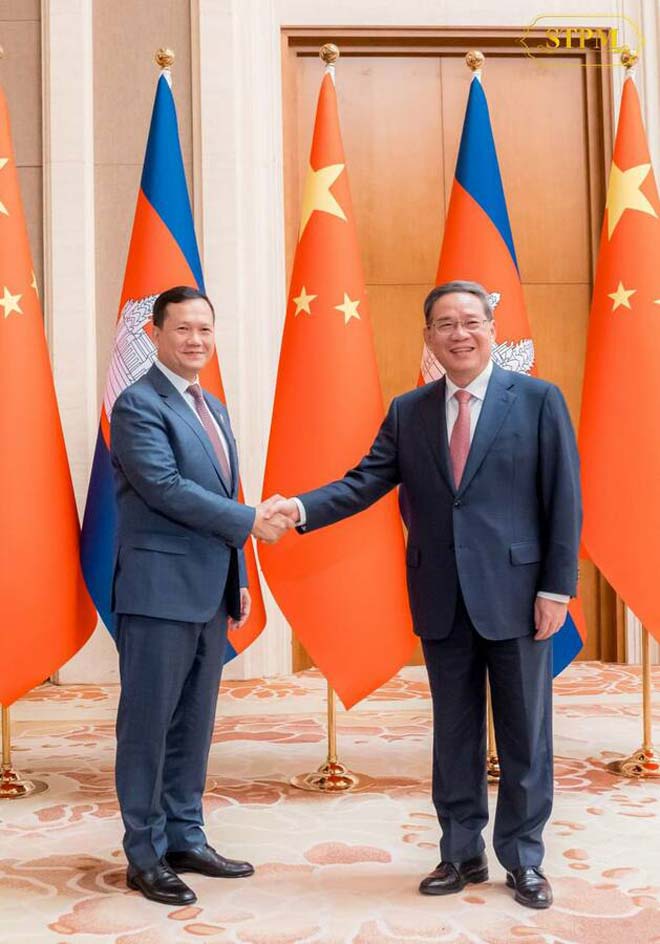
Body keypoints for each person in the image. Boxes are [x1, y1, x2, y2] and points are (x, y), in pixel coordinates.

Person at [267, 280, 581, 910]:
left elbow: (564, 499)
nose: (459, 334)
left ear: (491, 329)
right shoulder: (409, 410)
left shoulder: (538, 399)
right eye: (445, 324)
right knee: (453, 732)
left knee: (525, 735)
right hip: (441, 595)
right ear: (429, 337)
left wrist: (557, 588)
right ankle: (460, 853)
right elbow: (363, 482)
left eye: (470, 322)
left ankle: (523, 859)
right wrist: (299, 508)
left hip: (519, 597)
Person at [111, 285, 291, 905]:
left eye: (205, 330)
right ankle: (144, 853)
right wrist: (250, 522)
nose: (196, 341)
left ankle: (185, 837)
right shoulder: (137, 404)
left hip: (210, 590)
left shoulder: (210, 404)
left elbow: (221, 491)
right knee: (148, 726)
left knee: (193, 723)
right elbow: (163, 487)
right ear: (155, 335)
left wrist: (238, 576)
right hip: (158, 592)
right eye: (183, 329)